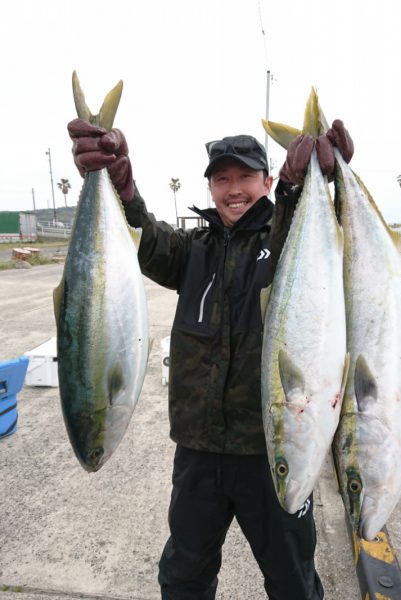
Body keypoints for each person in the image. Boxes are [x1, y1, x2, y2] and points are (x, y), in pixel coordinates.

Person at [68, 117, 353, 600]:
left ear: (265, 181)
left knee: (293, 581)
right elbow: (144, 239)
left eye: (245, 177)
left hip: (271, 451)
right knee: (183, 577)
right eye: (222, 179)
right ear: (210, 186)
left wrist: (313, 182)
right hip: (198, 452)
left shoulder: (282, 243)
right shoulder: (192, 252)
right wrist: (122, 187)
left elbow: (312, 237)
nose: (233, 189)